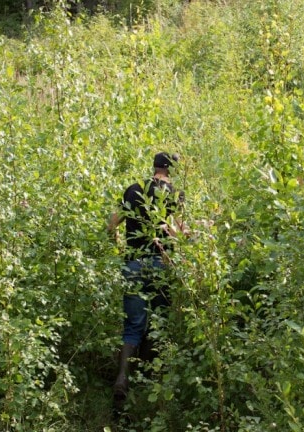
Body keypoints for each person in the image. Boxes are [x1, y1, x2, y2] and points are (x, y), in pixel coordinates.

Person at [106, 151, 187, 411]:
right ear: (170, 170)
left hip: (132, 264)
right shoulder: (174, 194)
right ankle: (151, 384)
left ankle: (122, 379)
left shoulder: (133, 190)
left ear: (153, 167)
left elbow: (112, 225)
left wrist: (119, 248)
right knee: (158, 323)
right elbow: (177, 232)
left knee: (132, 326)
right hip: (160, 265)